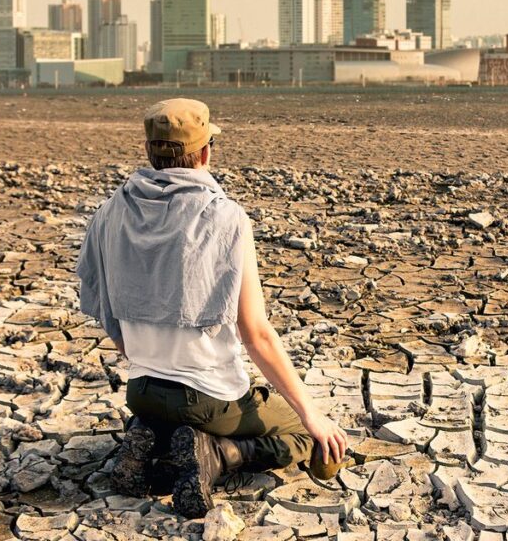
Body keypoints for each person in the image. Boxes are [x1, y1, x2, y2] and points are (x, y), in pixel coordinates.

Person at [76, 99, 349, 519]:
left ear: (150, 151)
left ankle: (152, 437)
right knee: (302, 436)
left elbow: (106, 307)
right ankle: (221, 455)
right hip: (207, 397)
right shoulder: (225, 218)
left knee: (177, 421)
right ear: (205, 153)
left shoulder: (111, 211)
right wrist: (312, 415)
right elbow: (255, 333)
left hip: (142, 390)